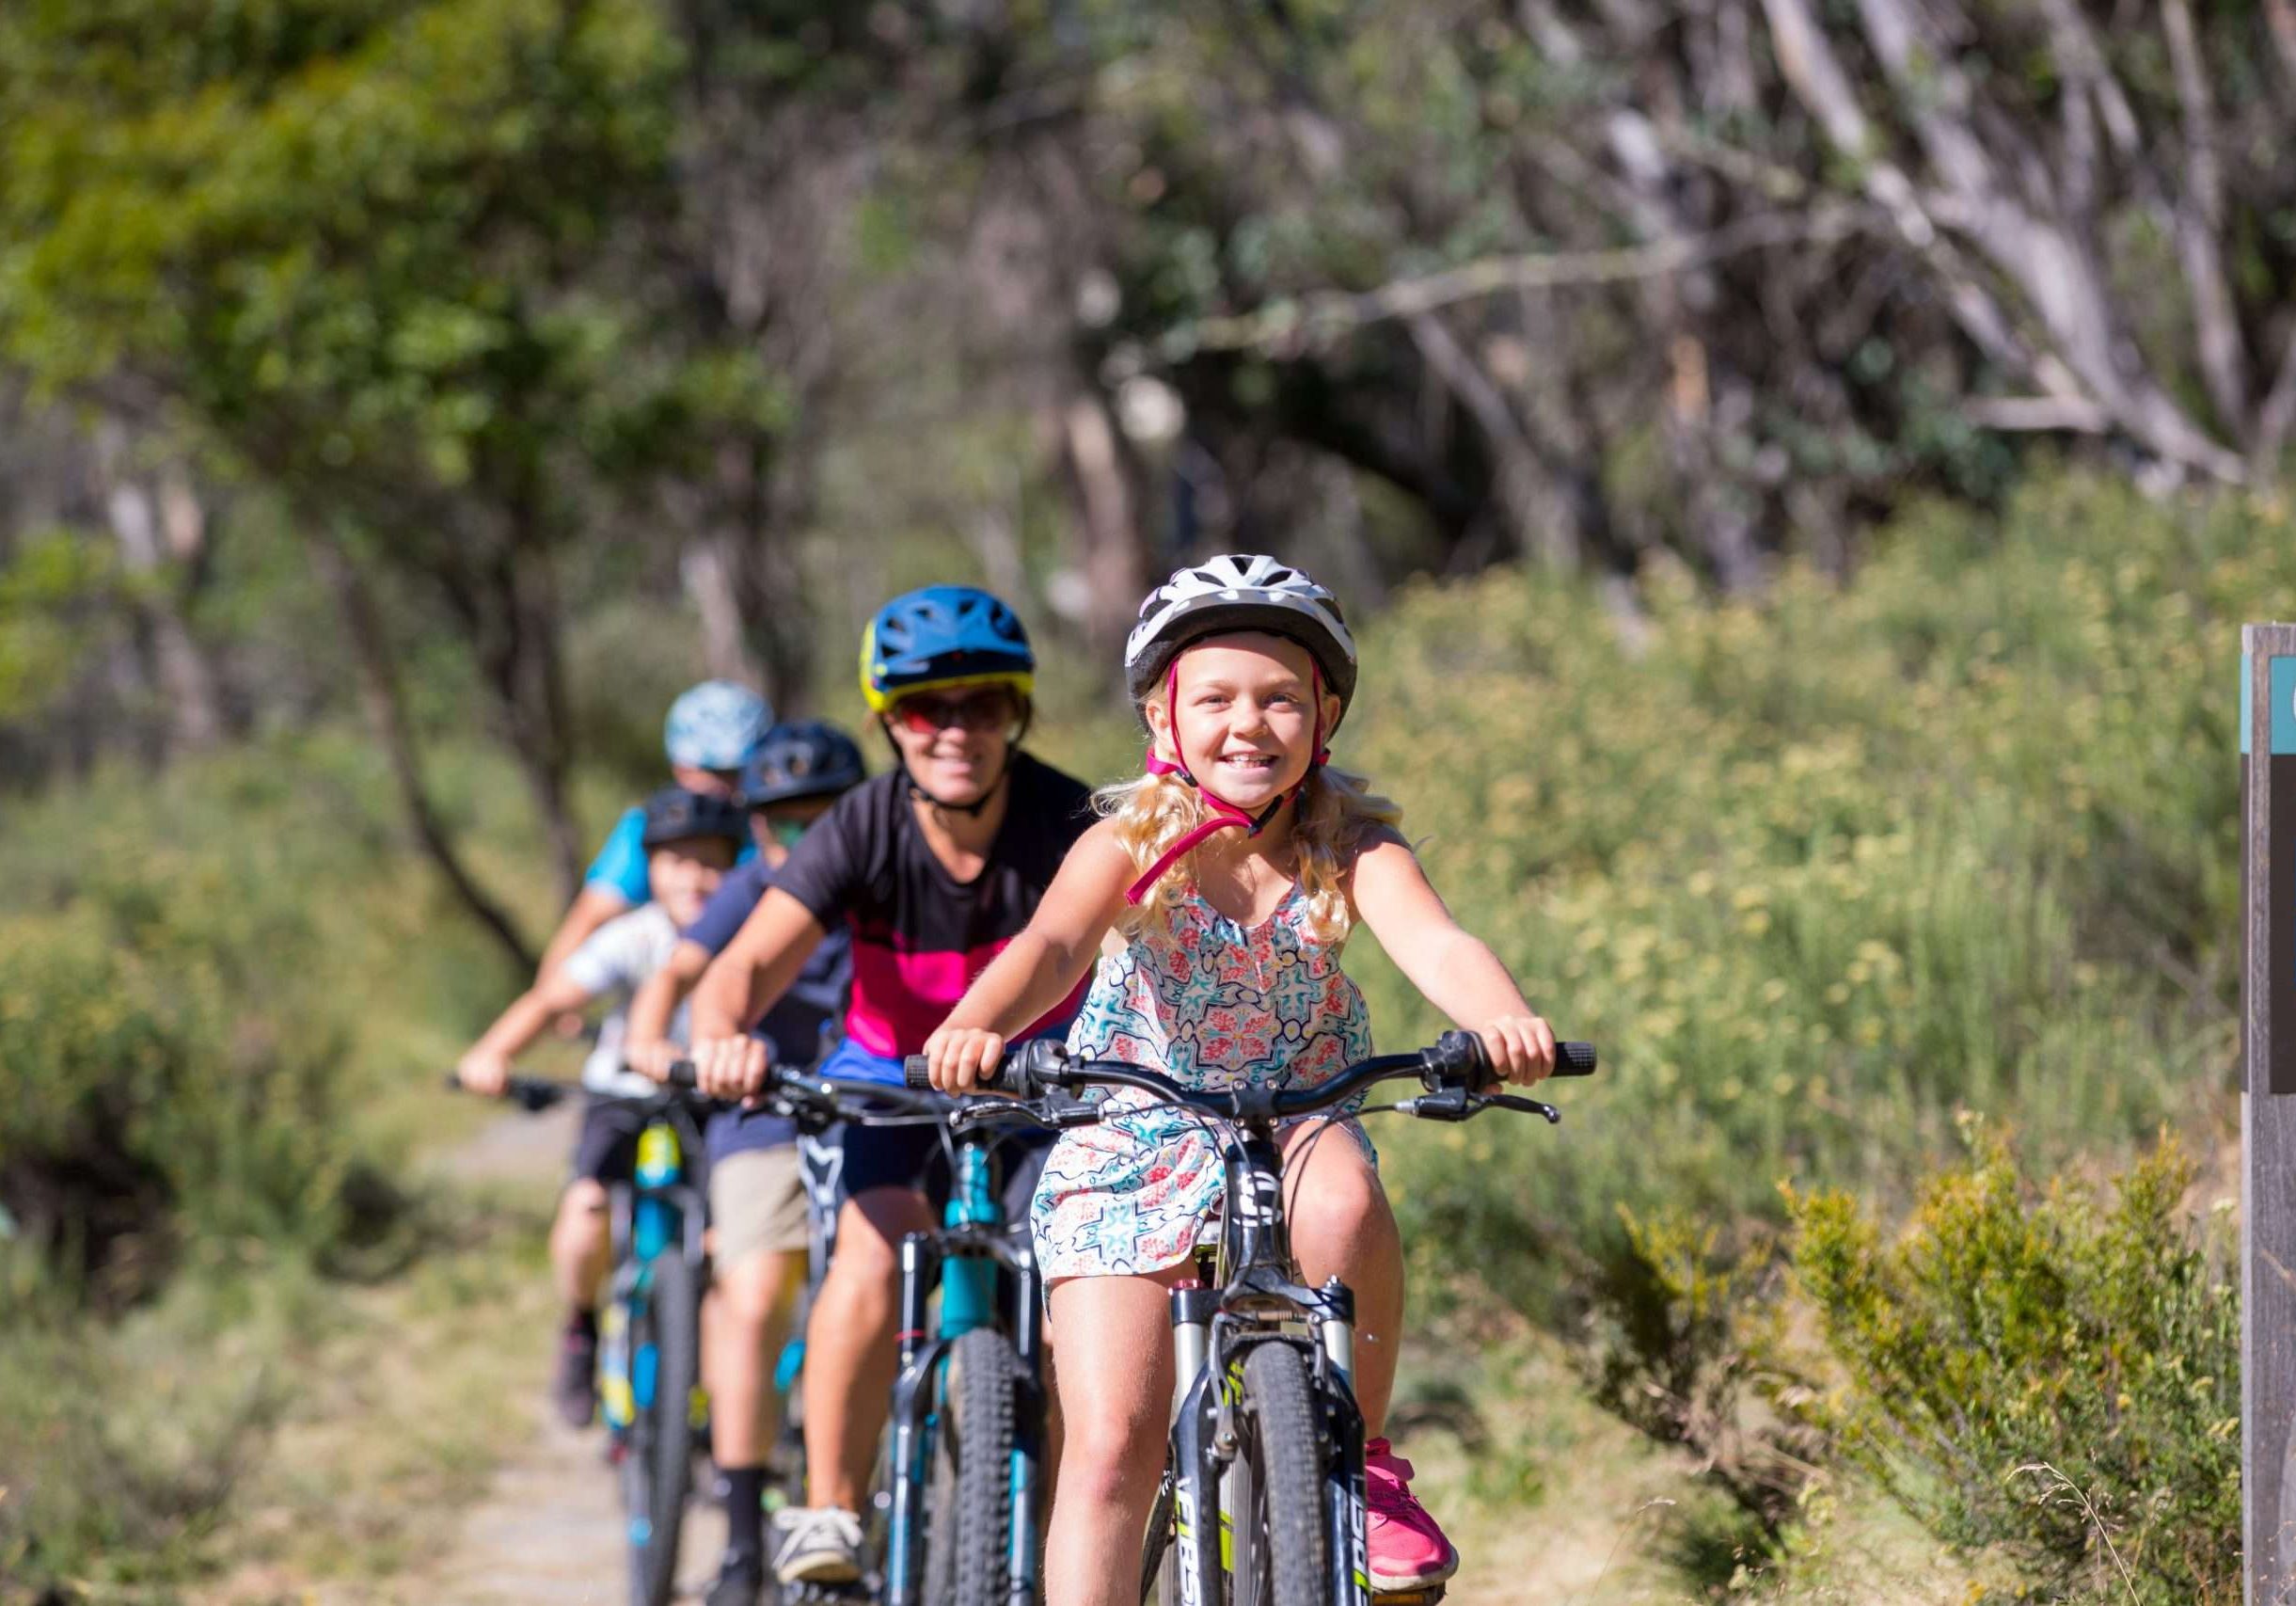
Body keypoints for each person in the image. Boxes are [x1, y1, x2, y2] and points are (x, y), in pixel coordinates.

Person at [917, 553, 1560, 1606]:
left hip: (1294, 1123)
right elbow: (1050, 944)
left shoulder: (1350, 846)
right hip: (1133, 1129)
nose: (1246, 724)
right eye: (1212, 699)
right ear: (1164, 723)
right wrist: (972, 1029)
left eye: (1279, 700)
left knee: (1347, 1190)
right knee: (1111, 1445)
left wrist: (1500, 1022)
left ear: (1325, 716)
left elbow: (1437, 944)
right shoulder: (1129, 840)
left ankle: (1364, 1464)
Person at [685, 585, 1096, 1590]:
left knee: (1072, 1308)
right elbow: (740, 967)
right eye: (924, 709)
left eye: (983, 705)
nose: (955, 732)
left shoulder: (1067, 819)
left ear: (1018, 714)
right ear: (888, 721)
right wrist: (719, 1035)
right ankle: (826, 1508)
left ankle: (1071, 1538)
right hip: (887, 1085)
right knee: (870, 1261)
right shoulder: (860, 826)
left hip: (1037, 1084)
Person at [625, 721, 866, 1606]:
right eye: (781, 823)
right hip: (762, 1115)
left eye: (823, 819)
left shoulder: (890, 875)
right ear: (757, 828)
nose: (802, 841)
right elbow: (680, 970)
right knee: (756, 1297)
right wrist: (657, 1043)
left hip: (882, 1108)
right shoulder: (751, 886)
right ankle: (739, 1539)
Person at [454, 785, 750, 1428]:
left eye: (711, 860)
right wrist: (491, 1054)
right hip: (623, 1096)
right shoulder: (632, 936)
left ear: (736, 867)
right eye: (677, 860)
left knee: (728, 1242)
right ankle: (580, 1326)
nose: (695, 876)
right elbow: (552, 1000)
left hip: (713, 1101)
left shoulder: (748, 934)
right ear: (651, 869)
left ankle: (717, 1395)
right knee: (587, 1203)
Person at [533, 679, 773, 983]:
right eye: (715, 773)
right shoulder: (651, 828)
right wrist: (554, 995)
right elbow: (592, 914)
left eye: (738, 772)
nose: (727, 787)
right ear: (681, 768)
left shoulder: (775, 827)